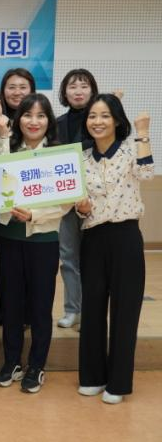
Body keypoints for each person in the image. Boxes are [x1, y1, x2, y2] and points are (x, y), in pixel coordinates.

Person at [75, 94, 153, 404]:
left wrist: (143, 131)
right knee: (92, 308)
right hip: (93, 237)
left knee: (125, 311)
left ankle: (118, 383)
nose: (97, 121)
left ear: (117, 120)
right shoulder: (81, 159)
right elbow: (79, 204)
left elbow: (146, 173)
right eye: (92, 116)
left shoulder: (132, 149)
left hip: (126, 237)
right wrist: (81, 208)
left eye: (105, 115)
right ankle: (92, 376)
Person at [0, 94, 68, 393]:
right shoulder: (7, 147)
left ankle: (37, 365)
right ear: (17, 119)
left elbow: (66, 203)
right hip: (9, 237)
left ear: (49, 121)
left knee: (40, 305)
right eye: (27, 115)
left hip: (43, 238)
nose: (33, 122)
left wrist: (35, 215)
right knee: (11, 302)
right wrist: (2, 137)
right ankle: (11, 361)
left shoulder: (59, 156)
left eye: (40, 116)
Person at [0, 68, 36, 326]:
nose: (17, 92)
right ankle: (4, 307)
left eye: (23, 87)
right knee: (5, 258)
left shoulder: (39, 119)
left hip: (33, 201)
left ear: (32, 90)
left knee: (29, 259)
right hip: (1, 200)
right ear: (3, 91)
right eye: (11, 87)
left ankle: (27, 311)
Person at [55, 69, 99, 329]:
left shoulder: (101, 121)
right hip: (65, 201)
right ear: (65, 92)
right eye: (72, 86)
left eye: (84, 86)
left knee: (94, 259)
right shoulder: (57, 123)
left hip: (96, 201)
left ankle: (92, 313)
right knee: (68, 256)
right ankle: (72, 309)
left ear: (92, 90)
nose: (78, 91)